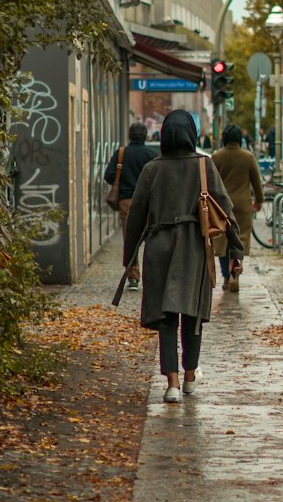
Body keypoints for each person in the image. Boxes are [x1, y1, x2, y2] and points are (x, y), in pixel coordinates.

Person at [122, 109, 243, 403]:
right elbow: (225, 210)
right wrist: (236, 250)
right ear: (192, 133)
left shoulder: (152, 169)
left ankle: (172, 384)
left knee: (166, 319)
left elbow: (135, 216)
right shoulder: (204, 165)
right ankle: (190, 377)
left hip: (159, 248)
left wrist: (130, 259)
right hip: (193, 249)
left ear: (163, 135)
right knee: (192, 315)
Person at [103, 122, 158, 289]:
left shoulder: (121, 153)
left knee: (131, 239)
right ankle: (154, 274)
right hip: (148, 202)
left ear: (129, 135)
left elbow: (108, 175)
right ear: (145, 136)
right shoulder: (152, 154)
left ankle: (133, 275)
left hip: (126, 201)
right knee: (152, 237)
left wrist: (121, 183)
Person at [211, 123, 264, 292]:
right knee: (238, 241)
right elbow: (257, 182)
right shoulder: (248, 157)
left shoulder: (216, 157)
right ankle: (236, 275)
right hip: (242, 205)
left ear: (224, 139)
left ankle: (226, 277)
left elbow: (211, 182)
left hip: (222, 206)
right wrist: (259, 200)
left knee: (223, 241)